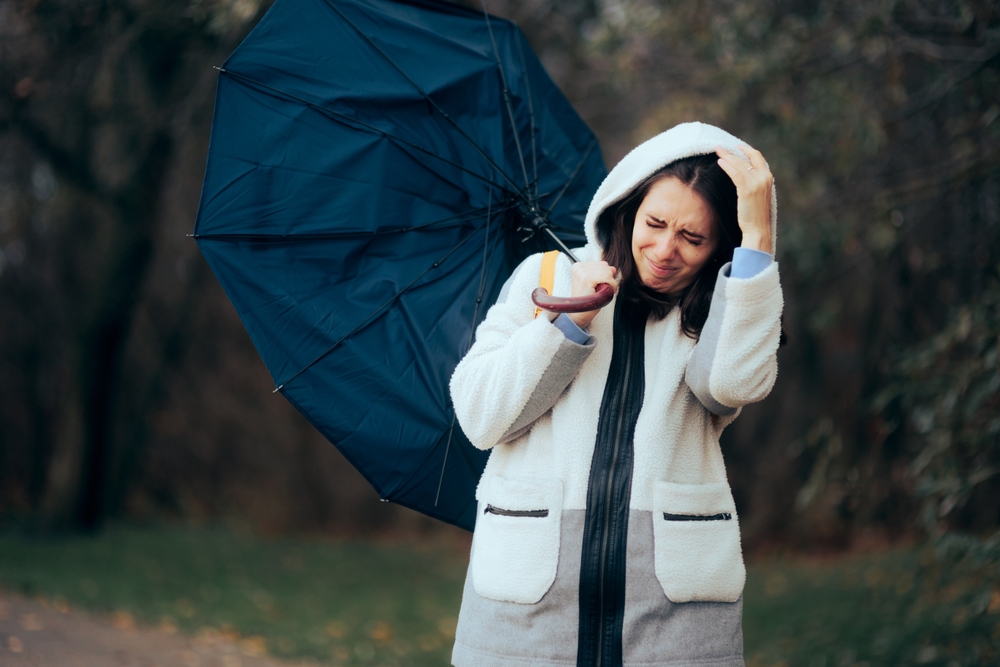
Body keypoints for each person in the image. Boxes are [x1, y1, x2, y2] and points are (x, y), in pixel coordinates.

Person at [448, 122, 783, 667]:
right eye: (654, 223)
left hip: (672, 619)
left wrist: (758, 244)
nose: (664, 250)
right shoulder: (547, 276)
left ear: (721, 244)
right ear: (629, 207)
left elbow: (733, 384)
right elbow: (481, 416)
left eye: (692, 238)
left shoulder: (720, 309)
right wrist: (568, 321)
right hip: (528, 616)